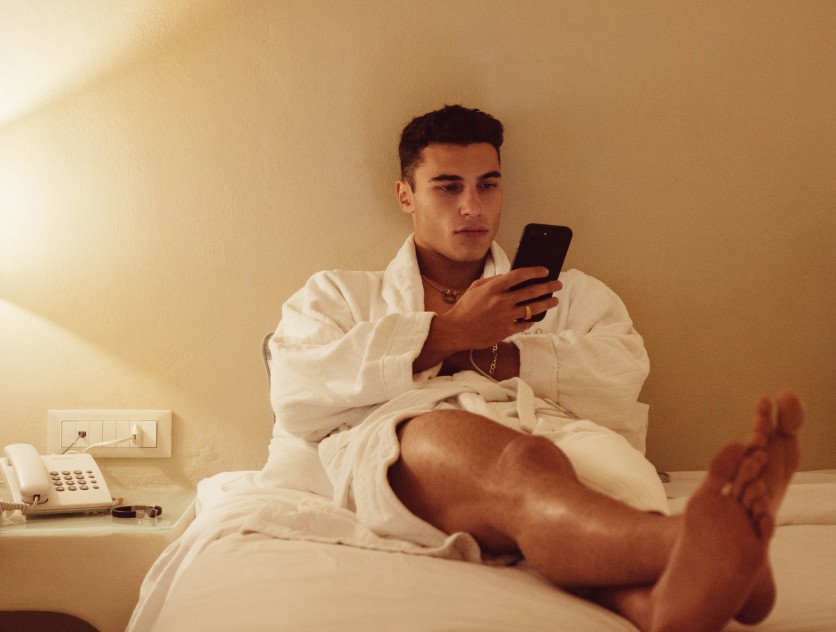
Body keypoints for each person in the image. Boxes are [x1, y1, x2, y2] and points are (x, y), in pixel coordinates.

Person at [268, 104, 803, 631]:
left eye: (488, 185)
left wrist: (490, 352)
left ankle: (660, 604)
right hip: (416, 439)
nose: (472, 206)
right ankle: (695, 541)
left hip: (568, 443)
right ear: (405, 195)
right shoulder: (339, 295)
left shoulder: (569, 293)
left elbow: (622, 372)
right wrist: (450, 333)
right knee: (523, 463)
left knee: (576, 488)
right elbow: (296, 386)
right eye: (448, 187)